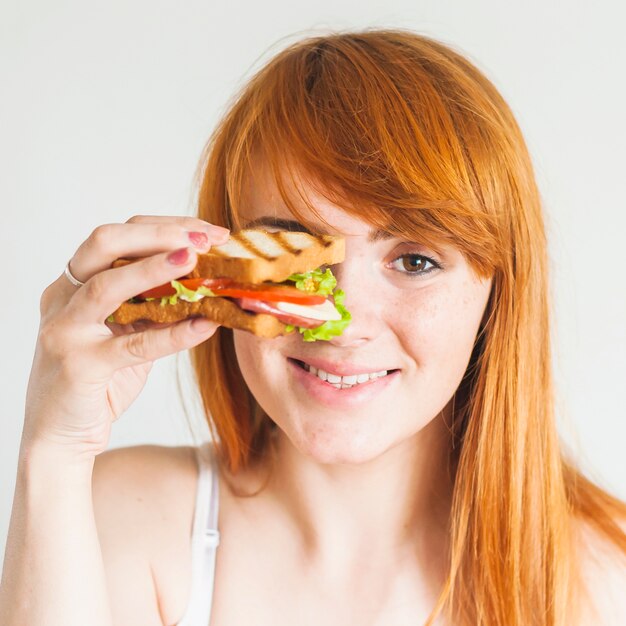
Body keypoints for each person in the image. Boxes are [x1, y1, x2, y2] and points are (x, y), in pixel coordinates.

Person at [1, 29, 625, 626]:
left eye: (415, 261)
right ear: (223, 270)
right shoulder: (123, 522)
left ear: (497, 295)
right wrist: (52, 453)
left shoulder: (604, 578)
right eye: (289, 254)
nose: (340, 324)